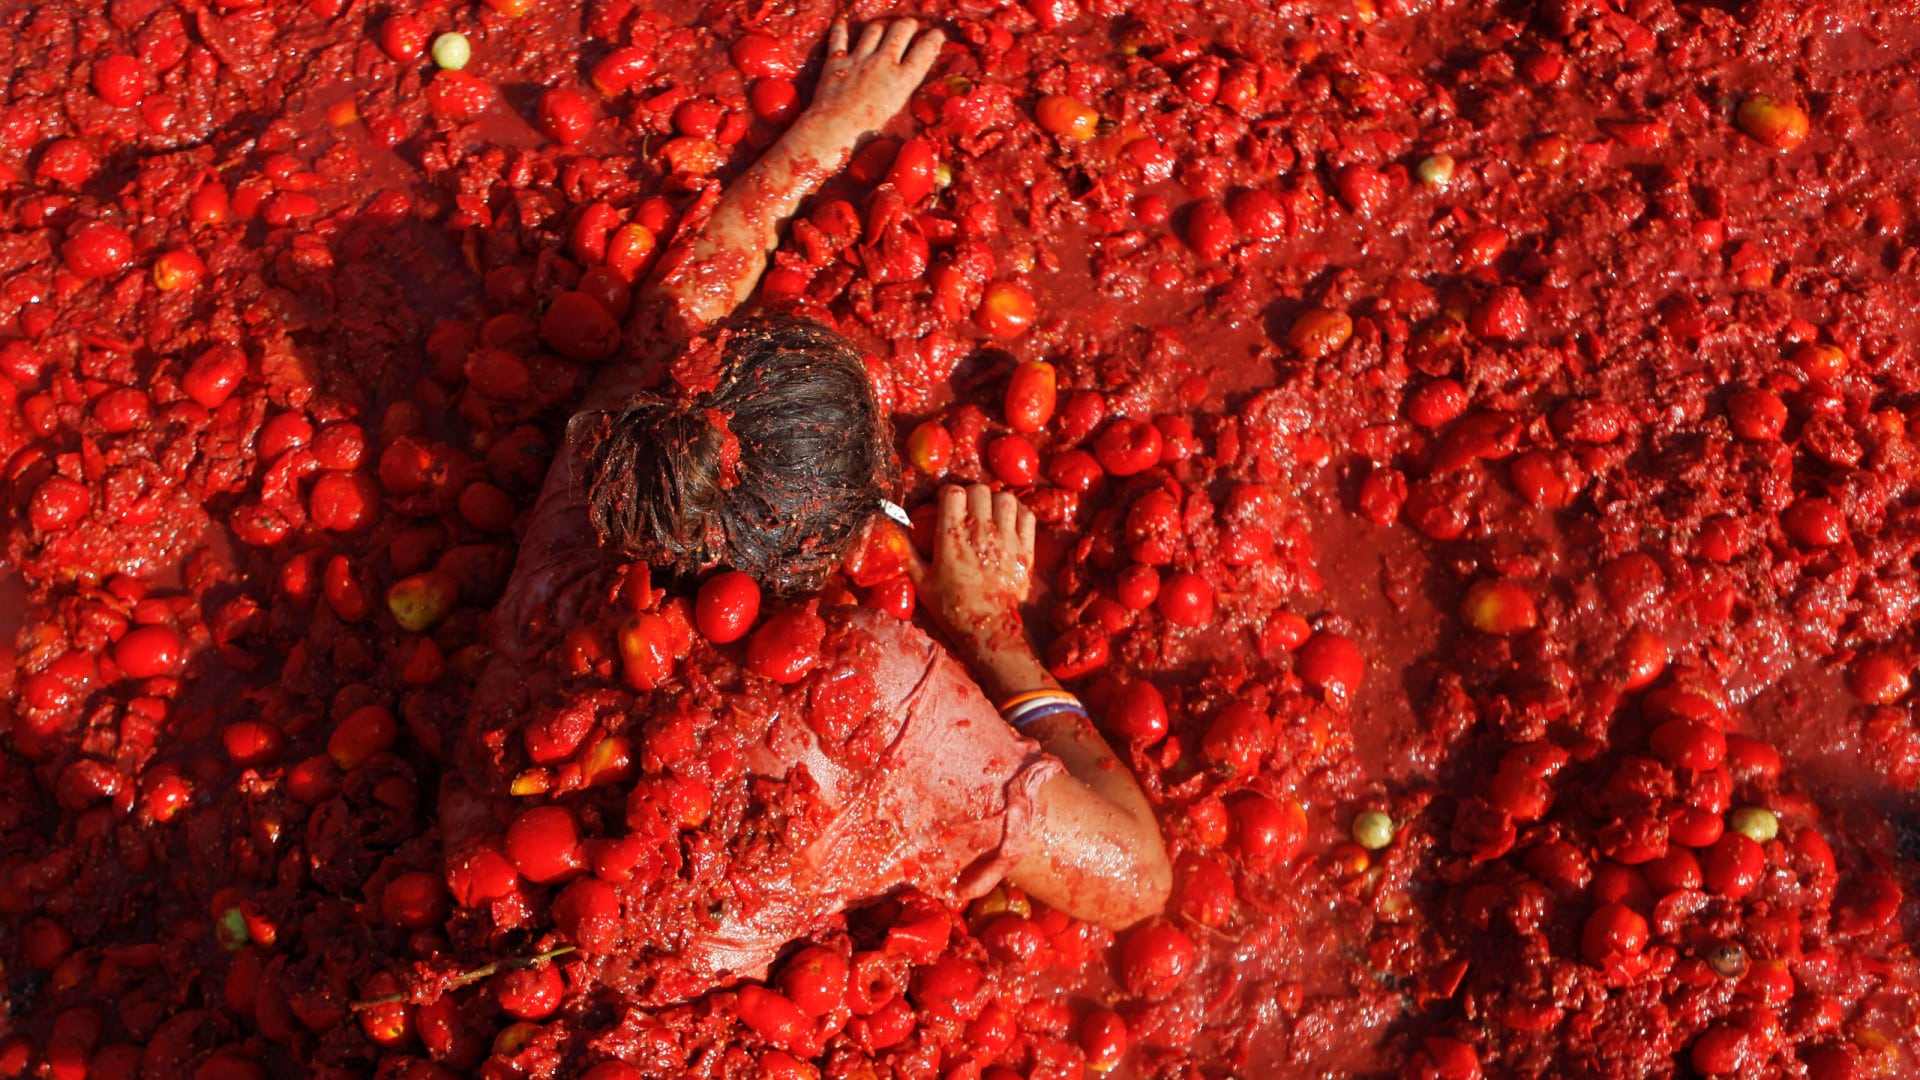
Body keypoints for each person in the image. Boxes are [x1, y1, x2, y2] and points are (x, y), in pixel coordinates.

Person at [458, 16, 1170, 1004]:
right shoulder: (871, 693)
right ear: (851, 540)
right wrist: (987, 628)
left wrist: (825, 128)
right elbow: (1136, 878)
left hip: (507, 949)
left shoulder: (605, 484)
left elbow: (686, 308)